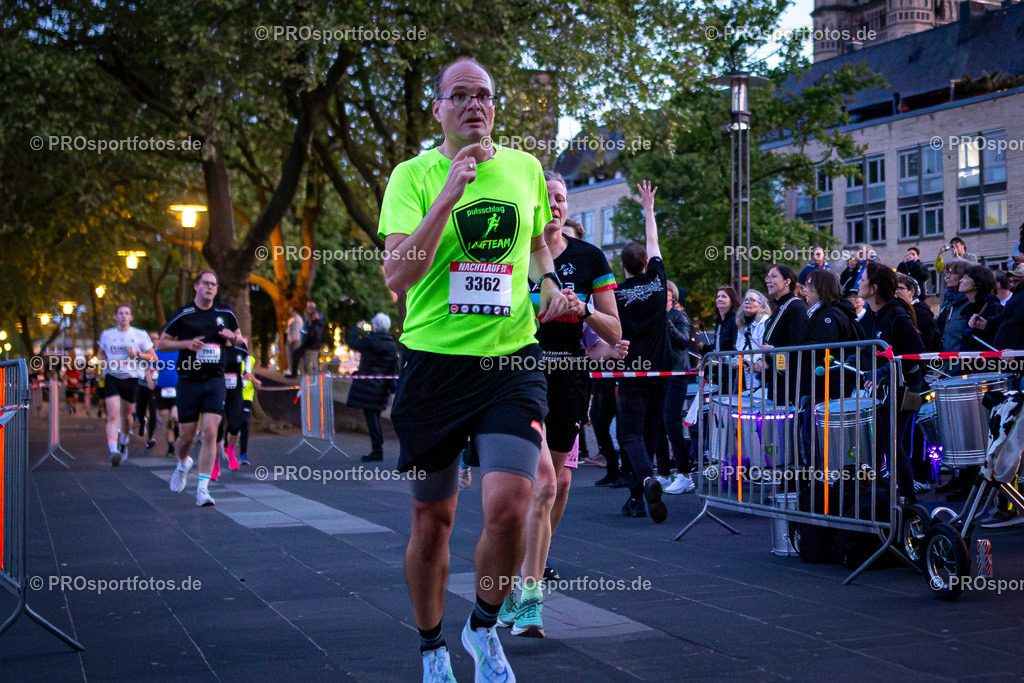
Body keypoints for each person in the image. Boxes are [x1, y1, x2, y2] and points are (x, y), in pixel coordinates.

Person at [378, 56, 568, 682]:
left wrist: (550, 287)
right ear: (439, 110)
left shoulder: (525, 168)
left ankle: (483, 629)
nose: (474, 105)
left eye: (483, 95)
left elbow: (538, 249)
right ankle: (433, 648)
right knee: (434, 519)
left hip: (510, 359)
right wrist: (448, 197)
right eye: (459, 96)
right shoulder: (412, 176)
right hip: (433, 362)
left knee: (513, 501)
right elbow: (396, 274)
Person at [499, 170, 619, 639]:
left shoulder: (591, 258)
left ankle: (519, 578)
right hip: (521, 376)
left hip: (570, 380)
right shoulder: (514, 252)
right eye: (546, 197)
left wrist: (582, 309)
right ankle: (529, 595)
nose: (554, 205)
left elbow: (615, 332)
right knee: (541, 487)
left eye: (562, 198)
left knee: (559, 485)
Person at [613, 181, 673, 524]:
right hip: (663, 368)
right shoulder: (658, 279)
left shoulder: (617, 295)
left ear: (623, 268)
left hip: (633, 368)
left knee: (629, 434)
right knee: (650, 433)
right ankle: (638, 496)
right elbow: (653, 241)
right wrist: (648, 208)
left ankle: (646, 481)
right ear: (647, 263)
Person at [157, 270, 243, 507]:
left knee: (211, 432)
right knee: (185, 437)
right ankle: (183, 463)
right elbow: (161, 343)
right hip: (188, 380)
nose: (210, 288)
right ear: (196, 286)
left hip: (215, 380)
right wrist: (186, 344)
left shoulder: (225, 313)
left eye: (214, 284)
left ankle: (203, 489)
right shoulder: (184, 315)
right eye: (206, 283)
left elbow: (241, 340)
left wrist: (232, 338)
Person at [859, 262, 925, 504]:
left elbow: (915, 354)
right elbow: (868, 351)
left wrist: (884, 371)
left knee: (891, 443)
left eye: (862, 279)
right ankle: (885, 496)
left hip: (904, 390)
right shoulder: (871, 317)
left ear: (874, 287)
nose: (858, 283)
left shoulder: (896, 315)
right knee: (881, 443)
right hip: (885, 391)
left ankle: (908, 499)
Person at [97, 304, 157, 466]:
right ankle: (113, 450)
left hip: (131, 379)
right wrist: (102, 364)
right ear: (116, 317)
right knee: (113, 415)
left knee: (127, 416)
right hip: (112, 377)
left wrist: (137, 354)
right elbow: (101, 353)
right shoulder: (107, 335)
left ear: (131, 317)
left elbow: (154, 358)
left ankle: (123, 441)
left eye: (127, 313)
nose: (123, 316)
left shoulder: (139, 335)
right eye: (120, 313)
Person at [346, 313, 400, 462]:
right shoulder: (391, 344)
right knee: (375, 416)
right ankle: (377, 448)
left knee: (371, 418)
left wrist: (357, 328)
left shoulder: (370, 341)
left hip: (368, 386)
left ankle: (377, 449)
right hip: (382, 386)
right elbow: (392, 367)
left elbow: (352, 342)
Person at [660, 281, 697, 495]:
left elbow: (684, 341)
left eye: (663, 291)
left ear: (671, 295)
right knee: (658, 424)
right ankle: (664, 473)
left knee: (672, 422)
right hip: (658, 373)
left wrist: (668, 323)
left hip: (677, 373)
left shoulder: (677, 316)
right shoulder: (655, 316)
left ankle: (685, 473)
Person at [761, 264, 808, 402]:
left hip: (789, 382)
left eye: (774, 276)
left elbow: (797, 344)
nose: (768, 280)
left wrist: (773, 352)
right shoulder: (780, 307)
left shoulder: (795, 307)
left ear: (787, 282)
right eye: (767, 277)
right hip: (778, 377)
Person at [149, 340, 180, 457]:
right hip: (161, 389)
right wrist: (150, 379)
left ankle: (177, 431)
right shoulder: (157, 353)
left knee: (175, 417)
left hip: (176, 388)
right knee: (166, 419)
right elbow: (151, 368)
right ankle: (171, 446)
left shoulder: (179, 352)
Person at [896, 274, 937, 352]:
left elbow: (927, 343)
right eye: (894, 288)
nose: (896, 291)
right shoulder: (896, 311)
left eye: (900, 288)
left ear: (912, 291)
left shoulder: (921, 313)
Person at [136, 331, 161, 448]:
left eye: (156, 338)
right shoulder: (144, 353)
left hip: (156, 388)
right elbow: (145, 369)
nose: (155, 341)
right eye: (152, 339)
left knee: (153, 411)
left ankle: (150, 438)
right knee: (140, 411)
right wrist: (148, 377)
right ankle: (142, 422)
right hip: (142, 385)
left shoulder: (162, 353)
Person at [290, 302, 324, 376]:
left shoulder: (315, 323)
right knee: (311, 365)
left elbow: (313, 336)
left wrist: (306, 344)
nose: (307, 309)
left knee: (310, 366)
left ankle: (311, 383)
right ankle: (312, 382)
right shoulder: (317, 322)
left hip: (310, 347)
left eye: (309, 308)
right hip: (311, 346)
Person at [286, 307, 304, 375]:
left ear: (295, 312)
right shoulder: (292, 320)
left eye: (291, 311)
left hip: (294, 340)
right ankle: (292, 370)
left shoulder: (297, 320)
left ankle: (294, 371)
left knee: (294, 356)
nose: (290, 313)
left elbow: (295, 331)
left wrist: (291, 339)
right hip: (293, 339)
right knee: (291, 356)